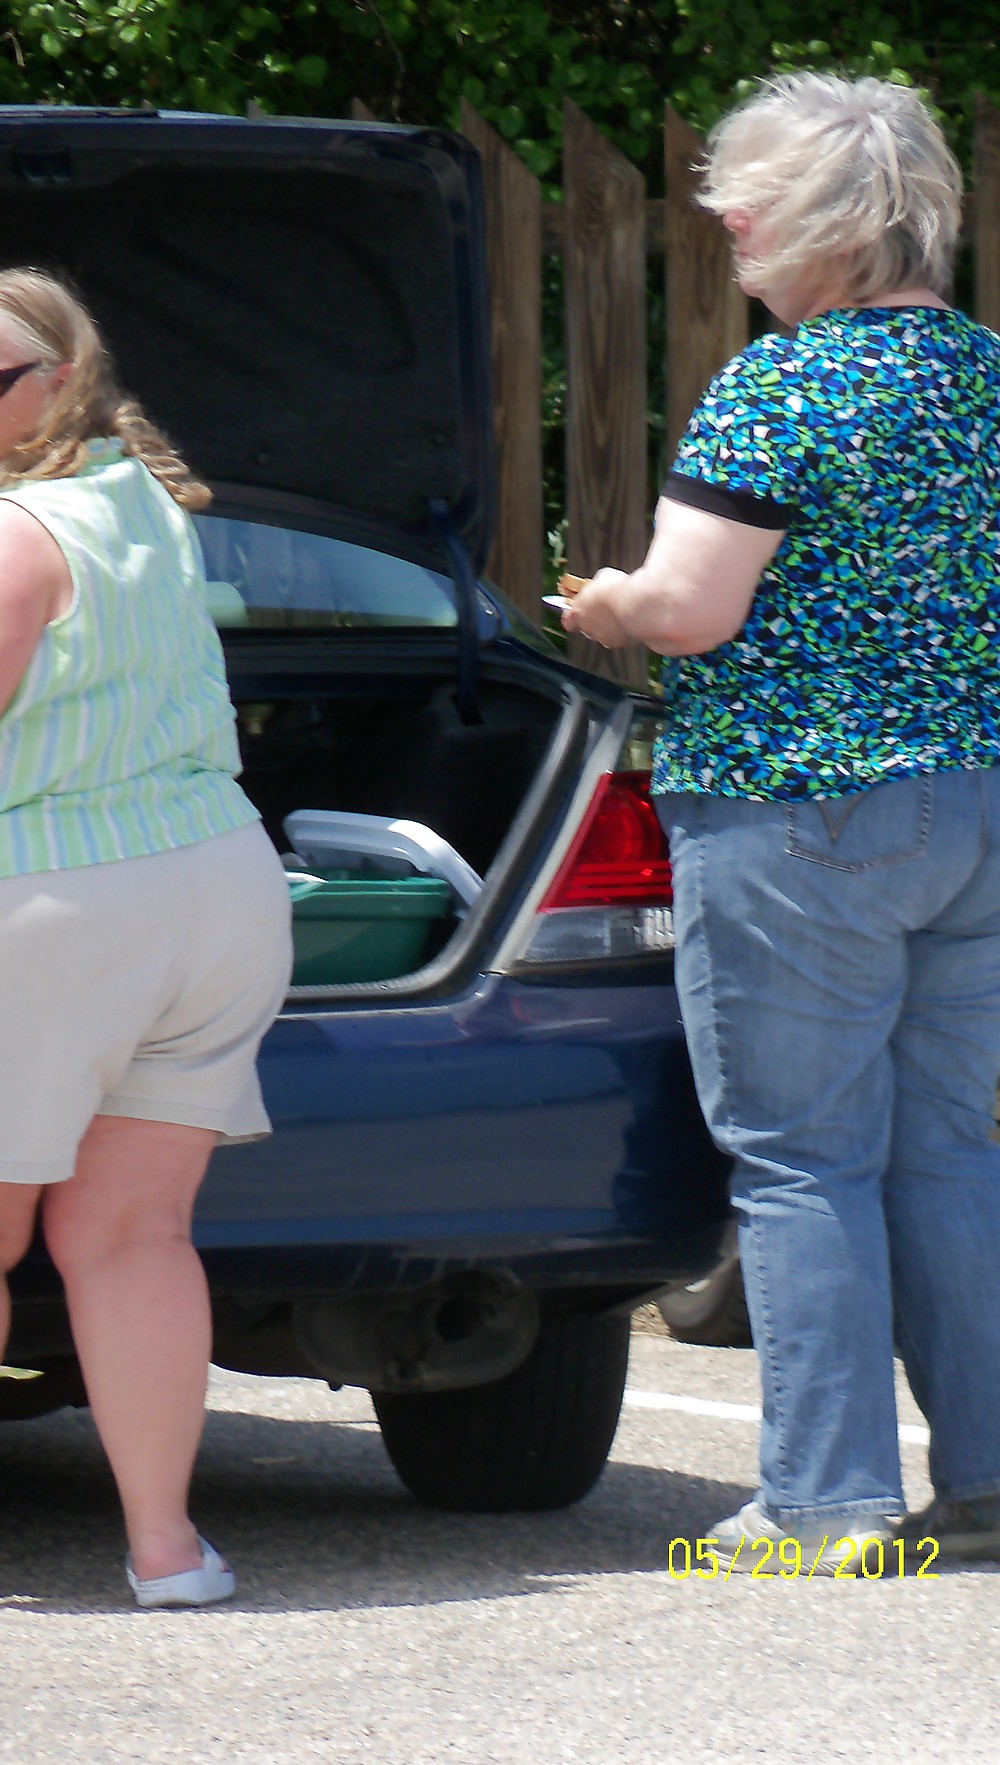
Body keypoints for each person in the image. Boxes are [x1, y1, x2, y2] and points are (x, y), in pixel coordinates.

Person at [562, 71, 1000, 1573]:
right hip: (975, 804)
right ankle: (991, 1483)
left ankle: (823, 1507)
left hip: (797, 800)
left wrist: (608, 600)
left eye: (747, 200)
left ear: (818, 222)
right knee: (947, 1148)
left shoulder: (785, 384)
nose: (729, 219)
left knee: (802, 1158)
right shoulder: (986, 377)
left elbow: (689, 610)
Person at [0, 269, 292, 1606]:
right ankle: (170, 1551)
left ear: (57, 383)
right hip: (217, 889)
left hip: (57, 900)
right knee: (131, 1237)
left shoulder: (13, 538)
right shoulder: (146, 505)